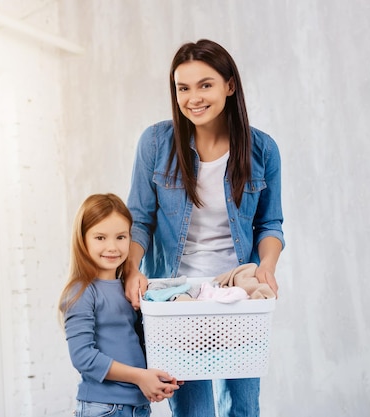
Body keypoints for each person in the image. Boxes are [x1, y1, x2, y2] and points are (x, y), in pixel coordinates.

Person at [125, 39, 284, 417]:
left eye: (205, 85)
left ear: (230, 86)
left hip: (236, 295)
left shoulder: (263, 150)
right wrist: (132, 270)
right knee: (192, 411)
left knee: (243, 408)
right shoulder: (155, 143)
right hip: (175, 297)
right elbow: (140, 219)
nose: (193, 97)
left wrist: (267, 268)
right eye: (183, 88)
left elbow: (270, 223)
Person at [59, 193, 181, 417]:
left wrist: (160, 373)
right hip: (104, 408)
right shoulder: (82, 291)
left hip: (137, 407)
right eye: (100, 238)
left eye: (121, 237)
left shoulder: (128, 287)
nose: (112, 247)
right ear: (82, 239)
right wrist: (140, 377)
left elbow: (134, 344)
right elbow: (83, 357)